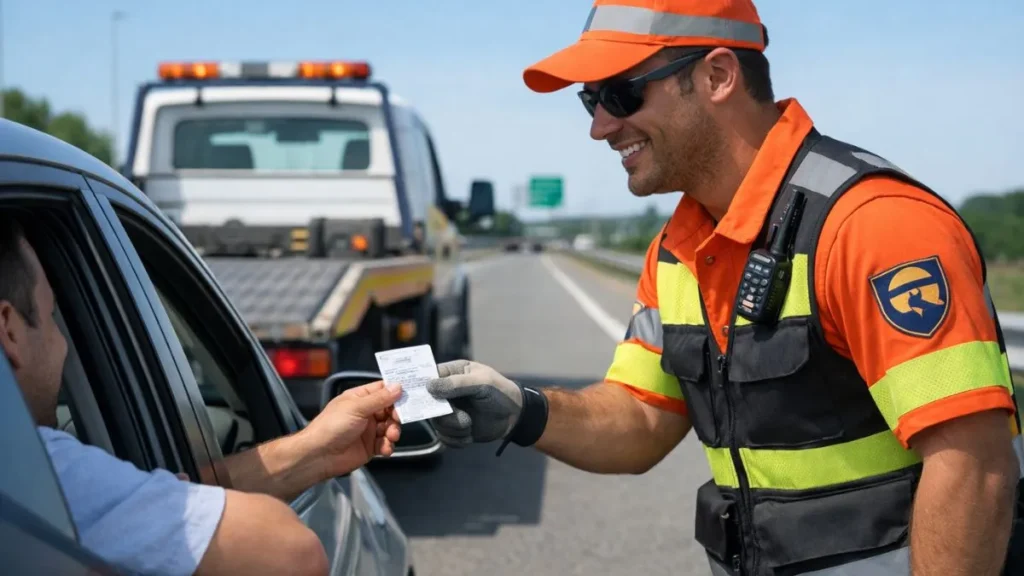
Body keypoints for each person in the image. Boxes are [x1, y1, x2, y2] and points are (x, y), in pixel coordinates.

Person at [425, 1, 1024, 575]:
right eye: (591, 101)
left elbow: (973, 462)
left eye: (620, 93)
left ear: (717, 76)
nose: (602, 127)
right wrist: (521, 411)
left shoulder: (873, 224)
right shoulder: (677, 251)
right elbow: (640, 419)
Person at [0, 215, 403, 576]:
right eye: (53, 318)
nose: (62, 346)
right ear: (9, 329)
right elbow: (292, 554)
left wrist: (317, 450)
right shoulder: (33, 468)